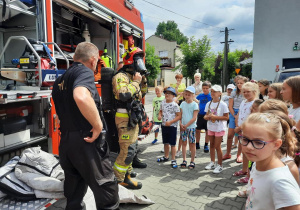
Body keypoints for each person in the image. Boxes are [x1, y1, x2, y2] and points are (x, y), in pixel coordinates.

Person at [52, 42, 119, 209]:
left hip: (67, 142)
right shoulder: (84, 72)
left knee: (74, 193)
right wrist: (97, 126)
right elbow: (81, 96)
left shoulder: (60, 79)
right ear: (93, 60)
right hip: (87, 142)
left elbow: (60, 113)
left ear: (75, 57)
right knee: (107, 190)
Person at [240, 112, 300, 209]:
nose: (249, 146)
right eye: (245, 139)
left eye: (258, 142)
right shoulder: (257, 162)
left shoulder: (279, 181)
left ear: (276, 144)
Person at [112, 44, 147, 189]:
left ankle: (127, 172)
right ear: (130, 62)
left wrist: (143, 81)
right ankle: (118, 180)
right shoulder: (121, 76)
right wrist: (136, 82)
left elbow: (141, 94)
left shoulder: (132, 77)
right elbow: (123, 94)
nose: (140, 63)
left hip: (132, 118)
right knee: (127, 151)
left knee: (132, 148)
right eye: (137, 60)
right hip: (124, 119)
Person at [232, 82, 259, 182]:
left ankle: (249, 174)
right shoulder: (244, 102)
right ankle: (244, 170)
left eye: (248, 92)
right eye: (244, 92)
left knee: (249, 153)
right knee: (244, 151)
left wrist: (239, 128)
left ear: (254, 92)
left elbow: (251, 118)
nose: (246, 93)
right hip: (241, 130)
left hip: (249, 131)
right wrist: (237, 124)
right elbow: (239, 113)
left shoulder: (255, 103)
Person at [204, 85, 229, 174]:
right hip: (211, 127)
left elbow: (226, 117)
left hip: (219, 128)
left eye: (215, 91)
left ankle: (220, 165)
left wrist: (215, 117)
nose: (212, 93)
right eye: (212, 91)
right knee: (211, 145)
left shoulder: (223, 104)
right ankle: (212, 162)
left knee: (217, 146)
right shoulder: (209, 103)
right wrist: (206, 117)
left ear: (220, 93)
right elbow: (206, 115)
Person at [223, 76, 248, 161]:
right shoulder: (234, 92)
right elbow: (230, 106)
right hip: (234, 113)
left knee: (241, 135)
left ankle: (239, 155)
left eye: (241, 83)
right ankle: (228, 153)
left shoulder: (246, 92)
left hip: (243, 113)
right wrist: (234, 115)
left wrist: (239, 116)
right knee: (230, 135)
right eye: (238, 83)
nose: (239, 85)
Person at [157, 87, 181, 169]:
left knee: (172, 144)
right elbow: (160, 111)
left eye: (169, 93)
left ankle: (173, 159)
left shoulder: (175, 105)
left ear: (173, 96)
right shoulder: (163, 102)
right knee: (165, 142)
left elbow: (179, 116)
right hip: (164, 125)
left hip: (172, 127)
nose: (167, 95)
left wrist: (170, 122)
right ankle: (166, 156)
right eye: (166, 93)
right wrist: (159, 115)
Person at [179, 86, 199, 169]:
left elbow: (194, 118)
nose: (187, 96)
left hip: (191, 127)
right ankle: (184, 159)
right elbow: (180, 115)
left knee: (192, 143)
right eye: (185, 94)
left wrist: (186, 125)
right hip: (183, 127)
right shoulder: (182, 104)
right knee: (184, 143)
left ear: (192, 95)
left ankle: (192, 160)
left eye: (189, 95)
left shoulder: (195, 105)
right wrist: (180, 124)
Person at [196, 81, 212, 152]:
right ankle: (197, 143)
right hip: (200, 115)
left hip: (208, 116)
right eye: (203, 88)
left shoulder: (211, 96)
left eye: (206, 88)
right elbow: (195, 100)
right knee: (198, 130)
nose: (205, 89)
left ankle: (206, 144)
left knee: (207, 131)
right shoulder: (200, 95)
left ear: (209, 88)